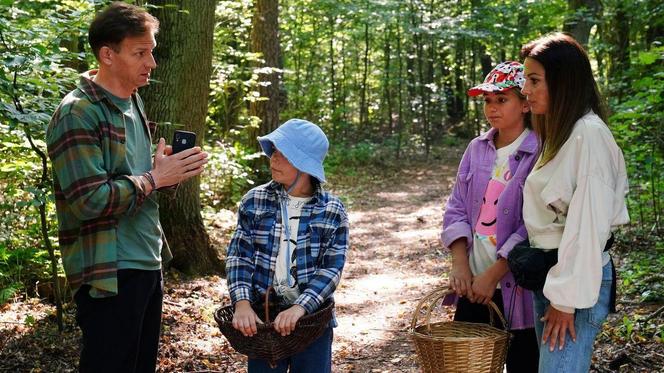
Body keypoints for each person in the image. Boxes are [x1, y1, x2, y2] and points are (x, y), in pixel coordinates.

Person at [46, 3, 208, 372]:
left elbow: (133, 177)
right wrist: (154, 179)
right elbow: (88, 201)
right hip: (109, 271)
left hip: (148, 259)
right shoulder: (78, 113)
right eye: (140, 52)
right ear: (107, 54)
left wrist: (165, 172)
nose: (151, 62)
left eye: (151, 51)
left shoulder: (133, 99)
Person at [520, 32, 629, 372]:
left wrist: (565, 301)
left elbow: (588, 227)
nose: (525, 90)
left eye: (534, 80)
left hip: (575, 282)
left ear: (563, 82)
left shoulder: (590, 136)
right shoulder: (563, 134)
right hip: (553, 275)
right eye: (526, 79)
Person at [226, 119, 349, 373]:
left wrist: (301, 307)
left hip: (312, 323)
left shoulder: (331, 210)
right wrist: (242, 303)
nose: (273, 159)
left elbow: (331, 269)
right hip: (264, 320)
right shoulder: (255, 200)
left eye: (283, 154)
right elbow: (239, 256)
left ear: (304, 163)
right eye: (273, 151)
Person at [441, 61, 540, 372]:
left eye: (502, 99)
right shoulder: (477, 148)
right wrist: (460, 263)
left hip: (516, 288)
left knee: (523, 361)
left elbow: (534, 225)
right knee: (468, 364)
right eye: (487, 101)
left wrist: (495, 274)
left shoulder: (539, 151)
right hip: (472, 282)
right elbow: (456, 205)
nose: (492, 108)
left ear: (525, 103)